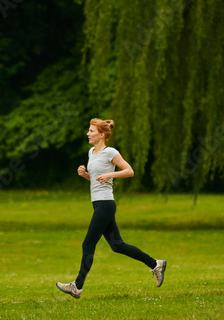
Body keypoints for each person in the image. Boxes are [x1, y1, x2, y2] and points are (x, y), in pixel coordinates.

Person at [56, 118, 166, 299]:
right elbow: (98, 180)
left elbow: (129, 171)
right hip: (98, 203)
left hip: (106, 204)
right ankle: (156, 264)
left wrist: (110, 174)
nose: (88, 134)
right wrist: (86, 175)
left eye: (91, 131)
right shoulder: (91, 152)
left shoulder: (111, 152)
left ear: (102, 134)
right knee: (117, 245)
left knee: (88, 243)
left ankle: (77, 286)